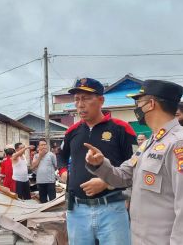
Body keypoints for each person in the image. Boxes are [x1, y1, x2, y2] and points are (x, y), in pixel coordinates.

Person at [85, 79, 183, 244]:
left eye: (138, 101)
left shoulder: (181, 143)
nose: (137, 107)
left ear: (151, 104)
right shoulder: (150, 143)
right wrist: (100, 164)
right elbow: (124, 176)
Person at [57, 77, 136, 245]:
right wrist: (64, 173)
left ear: (101, 100)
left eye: (86, 98)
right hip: (77, 211)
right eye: (77, 99)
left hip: (112, 209)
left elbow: (135, 166)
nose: (80, 104)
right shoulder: (72, 131)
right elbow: (61, 157)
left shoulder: (122, 129)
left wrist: (108, 182)